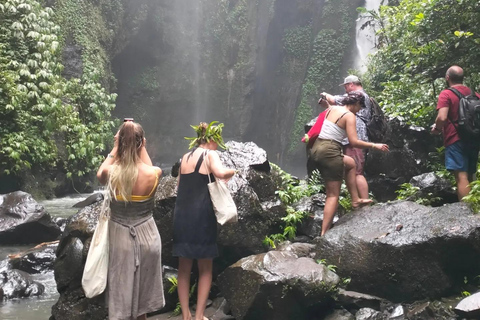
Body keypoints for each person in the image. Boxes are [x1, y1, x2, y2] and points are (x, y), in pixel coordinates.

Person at [96, 120, 164, 320]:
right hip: (149, 238)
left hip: (121, 238)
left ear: (121, 143)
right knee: (142, 304)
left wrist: (116, 147)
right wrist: (140, 144)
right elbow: (148, 166)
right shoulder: (155, 173)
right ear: (142, 143)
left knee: (121, 298)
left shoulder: (111, 173)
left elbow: (100, 174)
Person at [173, 122, 236, 320]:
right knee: (205, 267)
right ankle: (199, 316)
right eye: (218, 140)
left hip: (182, 215)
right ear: (210, 139)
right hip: (202, 216)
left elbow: (179, 186)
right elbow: (219, 173)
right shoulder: (210, 155)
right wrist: (233, 171)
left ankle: (186, 316)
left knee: (183, 267)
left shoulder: (185, 157)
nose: (219, 144)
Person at [312, 92, 389, 235]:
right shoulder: (349, 116)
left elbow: (330, 119)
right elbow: (353, 142)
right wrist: (374, 145)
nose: (360, 110)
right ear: (355, 104)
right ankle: (323, 233)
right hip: (330, 151)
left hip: (317, 148)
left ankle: (355, 200)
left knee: (351, 163)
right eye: (360, 106)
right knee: (332, 195)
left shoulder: (333, 108)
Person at [431, 65, 480, 201]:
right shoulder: (474, 94)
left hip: (455, 138)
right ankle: (476, 206)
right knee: (471, 172)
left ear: (448, 78)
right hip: (474, 138)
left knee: (461, 175)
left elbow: (442, 117)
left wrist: (437, 129)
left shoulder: (446, 94)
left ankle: (465, 211)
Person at [321, 75, 372, 199]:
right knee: (352, 170)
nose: (345, 89)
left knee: (357, 172)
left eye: (345, 86)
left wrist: (325, 95)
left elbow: (335, 100)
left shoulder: (358, 96)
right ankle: (358, 201)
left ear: (351, 85)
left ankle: (364, 203)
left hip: (354, 137)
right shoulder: (363, 96)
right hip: (355, 137)